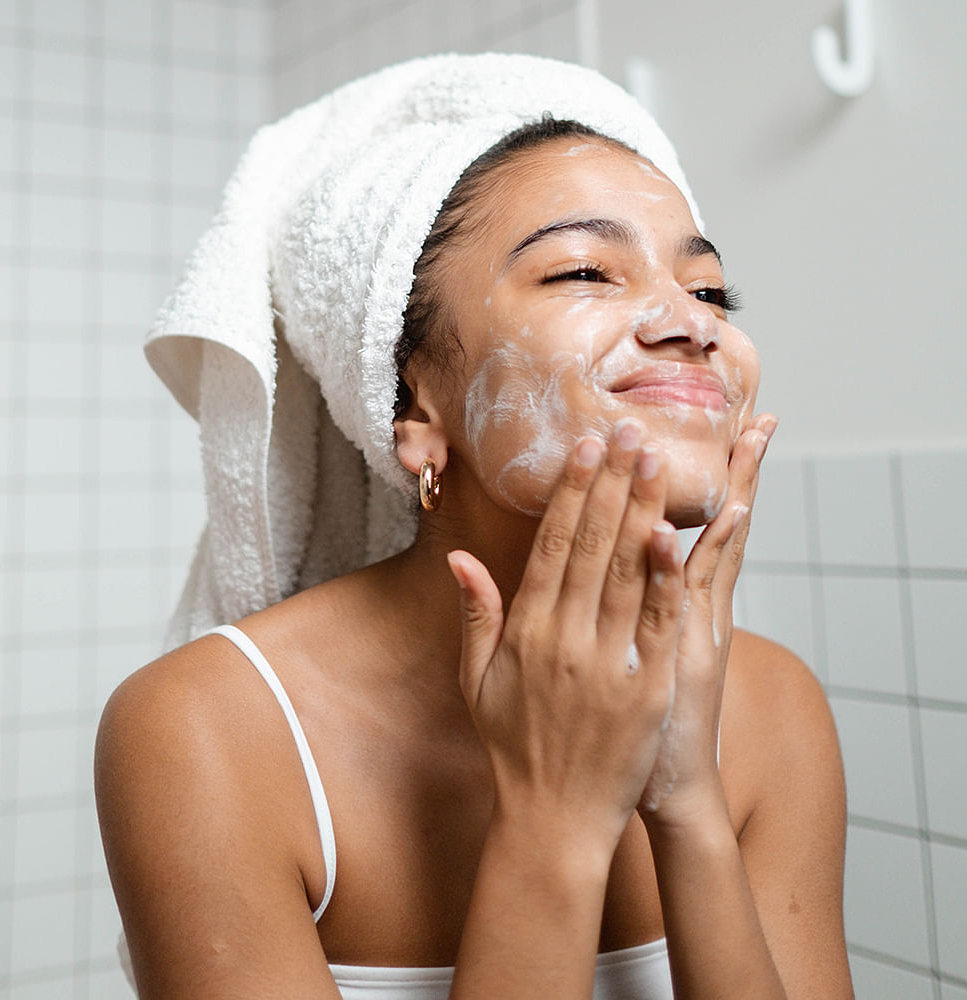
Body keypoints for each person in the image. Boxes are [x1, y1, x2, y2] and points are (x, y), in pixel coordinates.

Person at [95, 54, 853, 999]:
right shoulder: (207, 731)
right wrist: (555, 821)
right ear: (414, 403)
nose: (690, 324)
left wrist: (688, 803)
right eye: (584, 270)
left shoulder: (771, 708)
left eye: (709, 292)